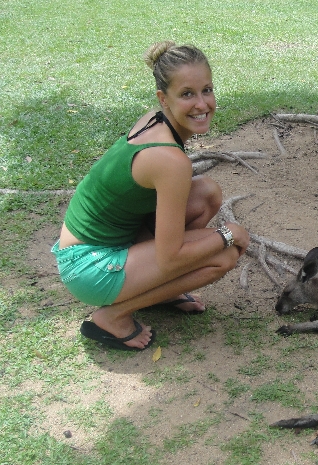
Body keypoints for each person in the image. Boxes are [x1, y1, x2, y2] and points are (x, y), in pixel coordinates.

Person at [51, 41, 249, 351]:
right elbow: (170, 258)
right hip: (89, 267)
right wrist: (228, 234)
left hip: (113, 241)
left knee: (207, 193)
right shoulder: (170, 161)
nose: (202, 104)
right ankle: (113, 316)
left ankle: (161, 291)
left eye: (206, 90)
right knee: (225, 254)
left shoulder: (156, 119)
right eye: (187, 94)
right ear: (163, 98)